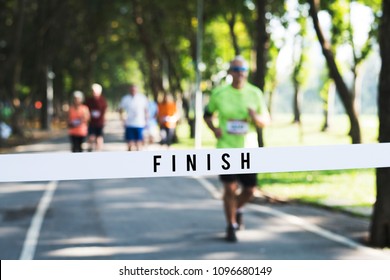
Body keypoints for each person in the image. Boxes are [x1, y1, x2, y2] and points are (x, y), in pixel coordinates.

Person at [203, 56, 271, 242]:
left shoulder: (255, 93)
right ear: (230, 72)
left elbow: (266, 121)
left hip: (248, 149)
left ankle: (238, 208)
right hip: (226, 147)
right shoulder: (219, 93)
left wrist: (254, 116)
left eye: (242, 70)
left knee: (250, 190)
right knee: (230, 189)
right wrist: (214, 128)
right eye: (235, 69)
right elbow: (207, 115)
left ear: (246, 72)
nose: (239, 73)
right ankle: (231, 226)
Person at [118, 84, 149, 151]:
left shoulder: (142, 98)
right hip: (129, 123)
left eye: (134, 90)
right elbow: (120, 109)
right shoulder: (125, 99)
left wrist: (146, 120)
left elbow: (146, 110)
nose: (133, 91)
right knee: (130, 144)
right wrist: (122, 119)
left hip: (140, 123)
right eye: (132, 90)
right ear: (129, 90)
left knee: (139, 143)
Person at [85, 83, 108, 151]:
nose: (93, 93)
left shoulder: (102, 100)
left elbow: (105, 110)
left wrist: (104, 119)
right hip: (91, 122)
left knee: (99, 138)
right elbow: (86, 109)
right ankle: (90, 149)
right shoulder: (89, 100)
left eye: (95, 91)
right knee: (91, 138)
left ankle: (98, 151)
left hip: (99, 122)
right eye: (93, 91)